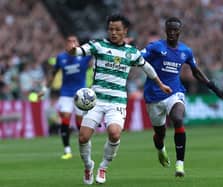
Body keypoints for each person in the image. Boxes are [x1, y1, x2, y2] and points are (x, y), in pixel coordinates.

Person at [67, 14, 172, 185]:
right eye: (110, 29)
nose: (113, 32)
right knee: (83, 138)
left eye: (117, 29)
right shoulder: (99, 45)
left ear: (125, 31)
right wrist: (73, 50)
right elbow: (79, 51)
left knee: (115, 134)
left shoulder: (131, 53)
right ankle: (88, 166)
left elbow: (148, 68)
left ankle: (103, 167)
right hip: (96, 100)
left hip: (117, 101)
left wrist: (161, 84)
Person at [141, 17, 223, 177]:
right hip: (153, 96)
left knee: (178, 118)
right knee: (160, 135)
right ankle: (160, 149)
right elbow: (137, 58)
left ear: (180, 31)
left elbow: (196, 71)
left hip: (175, 92)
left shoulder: (185, 51)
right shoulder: (156, 47)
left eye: (175, 30)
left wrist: (213, 87)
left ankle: (180, 165)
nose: (172, 32)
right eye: (169, 29)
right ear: (165, 30)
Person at [39, 35, 93, 159]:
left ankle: (85, 147)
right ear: (65, 45)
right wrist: (44, 89)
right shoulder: (61, 58)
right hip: (66, 94)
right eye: (69, 41)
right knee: (65, 117)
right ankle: (67, 150)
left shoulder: (84, 56)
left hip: (80, 94)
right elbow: (53, 74)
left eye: (74, 41)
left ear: (79, 44)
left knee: (80, 122)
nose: (72, 43)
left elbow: (96, 52)